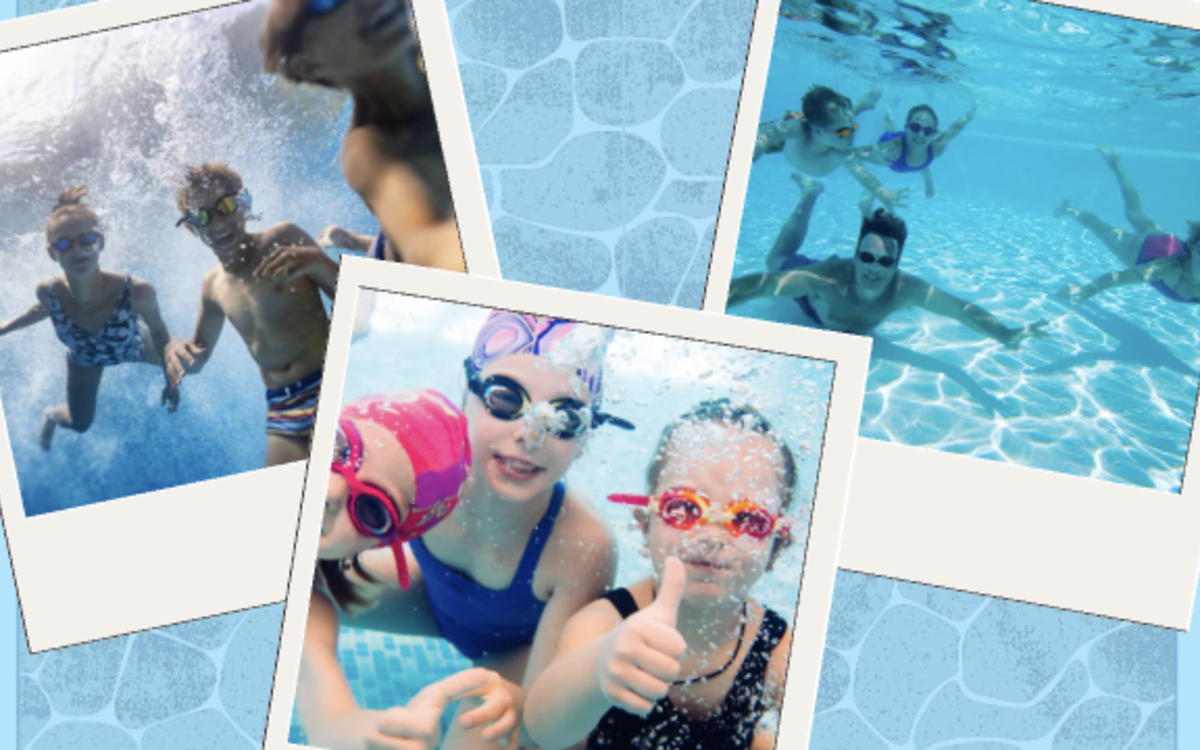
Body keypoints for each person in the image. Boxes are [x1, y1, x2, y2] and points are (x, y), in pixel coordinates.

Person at [306, 311, 636, 749]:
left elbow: (547, 718)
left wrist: (516, 706)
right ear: (468, 391)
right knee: (297, 571)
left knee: (484, 716)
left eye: (565, 418)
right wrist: (332, 718)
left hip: (518, 650)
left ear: (587, 434)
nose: (529, 435)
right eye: (504, 399)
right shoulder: (423, 463)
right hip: (429, 604)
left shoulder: (581, 545)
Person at [524, 400, 798, 750]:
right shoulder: (605, 625)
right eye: (683, 508)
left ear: (776, 547)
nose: (712, 536)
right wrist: (598, 669)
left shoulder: (776, 649)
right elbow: (542, 733)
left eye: (748, 520)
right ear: (644, 526)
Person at [303, 389, 521, 750]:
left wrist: (381, 733)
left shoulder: (310, 605)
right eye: (338, 449)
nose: (331, 490)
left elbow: (331, 722)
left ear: (374, 544)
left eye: (372, 510)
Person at [260, 0, 466, 272]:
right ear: (307, 65)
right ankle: (356, 242)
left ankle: (353, 240)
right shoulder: (369, 147)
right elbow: (428, 243)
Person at [164, 162, 337, 467]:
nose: (217, 224)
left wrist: (316, 262)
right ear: (191, 227)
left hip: (328, 384)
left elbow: (349, 296)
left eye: (226, 206)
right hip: (282, 407)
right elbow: (198, 358)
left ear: (244, 204)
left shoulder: (283, 237)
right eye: (203, 216)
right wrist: (175, 351)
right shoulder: (212, 286)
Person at [0, 186, 178, 450]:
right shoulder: (48, 292)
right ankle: (50, 415)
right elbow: (41, 309)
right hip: (86, 359)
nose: (77, 250)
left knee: (191, 364)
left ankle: (133, 322)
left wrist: (170, 383)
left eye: (86, 239)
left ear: (101, 242)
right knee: (80, 424)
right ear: (52, 253)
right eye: (63, 243)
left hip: (135, 343)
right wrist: (4, 327)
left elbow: (161, 334)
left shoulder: (138, 291)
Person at [728, 207, 1046, 348]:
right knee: (775, 260)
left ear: (896, 264)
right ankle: (808, 195)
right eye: (866, 258)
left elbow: (960, 310)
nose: (873, 269)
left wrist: (1003, 333)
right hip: (813, 305)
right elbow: (764, 285)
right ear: (855, 256)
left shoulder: (906, 290)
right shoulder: (826, 280)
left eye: (884, 261)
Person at [1055, 147, 1200, 305]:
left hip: (1168, 241)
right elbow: (1118, 278)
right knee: (1103, 230)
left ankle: (1116, 165)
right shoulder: (1171, 269)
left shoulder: (1182, 264)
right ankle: (1072, 210)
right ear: (1192, 248)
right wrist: (1089, 289)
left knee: (1134, 213)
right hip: (1145, 252)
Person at [754, 84, 909, 211]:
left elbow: (861, 172)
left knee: (843, 120)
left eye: (854, 128)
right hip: (804, 142)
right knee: (839, 121)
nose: (852, 135)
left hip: (826, 136)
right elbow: (773, 132)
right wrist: (759, 146)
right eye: (844, 132)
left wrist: (881, 192)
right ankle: (861, 105)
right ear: (816, 130)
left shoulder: (838, 152)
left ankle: (866, 101)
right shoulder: (800, 130)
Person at [856, 101, 978, 202]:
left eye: (928, 131)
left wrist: (972, 111)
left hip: (917, 158)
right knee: (889, 129)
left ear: (933, 135)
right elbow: (854, 156)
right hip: (897, 150)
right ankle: (888, 113)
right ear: (906, 128)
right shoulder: (892, 149)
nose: (920, 135)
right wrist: (878, 190)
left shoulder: (936, 148)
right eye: (915, 127)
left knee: (923, 164)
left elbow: (954, 128)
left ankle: (927, 179)